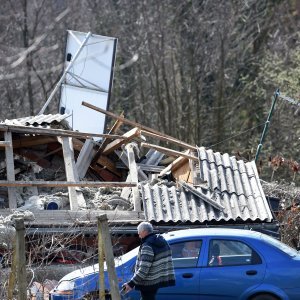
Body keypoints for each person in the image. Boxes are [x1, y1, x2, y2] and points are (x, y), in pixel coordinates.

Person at [123, 222, 175, 300]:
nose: (139, 235)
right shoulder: (162, 241)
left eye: (139, 233)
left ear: (144, 232)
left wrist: (131, 284)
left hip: (147, 282)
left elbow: (143, 270)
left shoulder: (147, 245)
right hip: (156, 281)